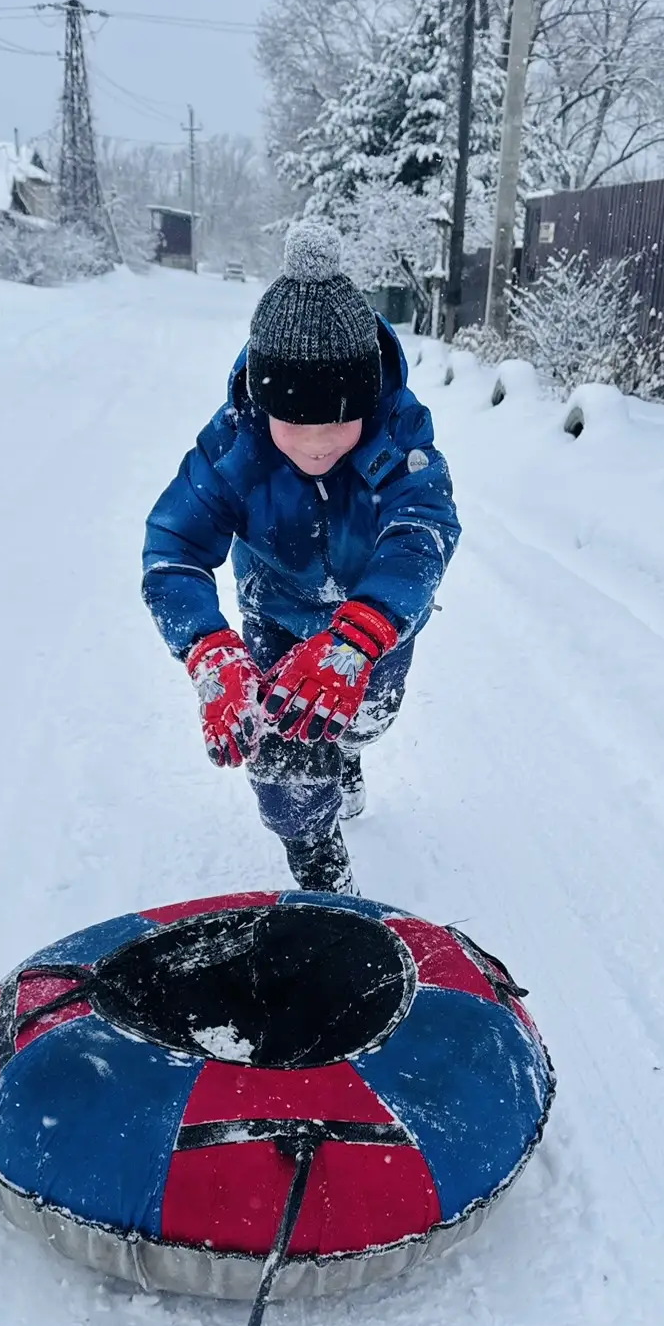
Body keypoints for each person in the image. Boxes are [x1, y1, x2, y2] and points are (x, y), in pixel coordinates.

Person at [142, 219, 461, 892]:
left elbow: (423, 527)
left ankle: (348, 750)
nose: (317, 444)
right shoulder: (235, 448)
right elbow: (173, 550)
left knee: (364, 720)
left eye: (338, 422)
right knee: (283, 750)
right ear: (264, 405)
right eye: (295, 424)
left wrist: (363, 633)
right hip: (278, 616)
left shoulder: (397, 434)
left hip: (375, 624)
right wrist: (207, 648)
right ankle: (318, 864)